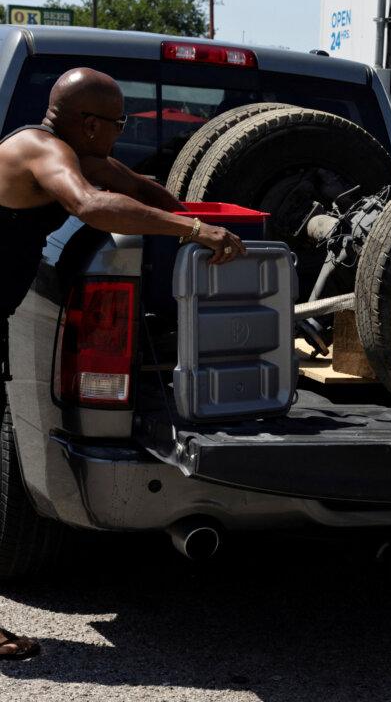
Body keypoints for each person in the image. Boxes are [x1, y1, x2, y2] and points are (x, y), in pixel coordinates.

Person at [0, 68, 245, 660]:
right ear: (89, 123)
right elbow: (93, 206)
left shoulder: (78, 149)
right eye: (118, 123)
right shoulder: (40, 149)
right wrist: (189, 228)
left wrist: (213, 223)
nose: (120, 132)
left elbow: (131, 185)